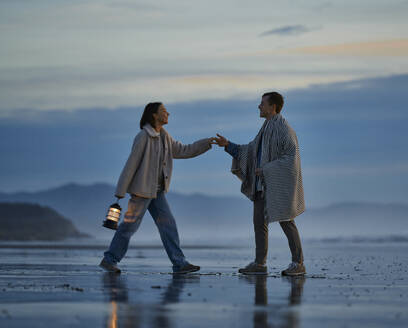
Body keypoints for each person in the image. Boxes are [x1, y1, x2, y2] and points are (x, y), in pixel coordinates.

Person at [100, 102, 215, 274]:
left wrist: (207, 142)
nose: (168, 113)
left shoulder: (164, 136)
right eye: (163, 111)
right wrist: (120, 191)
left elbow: (184, 150)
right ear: (154, 115)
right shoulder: (143, 136)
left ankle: (180, 263)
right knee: (129, 227)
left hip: (157, 192)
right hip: (141, 191)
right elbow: (131, 164)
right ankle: (109, 260)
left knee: (168, 225)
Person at [214, 92, 306, 276]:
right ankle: (260, 263)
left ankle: (298, 263)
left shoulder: (283, 129)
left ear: (272, 107)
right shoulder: (265, 128)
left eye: (262, 103)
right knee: (259, 223)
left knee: (287, 222)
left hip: (276, 185)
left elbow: (291, 158)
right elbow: (250, 151)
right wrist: (228, 145)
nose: (259, 106)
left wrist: (267, 170)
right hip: (261, 186)